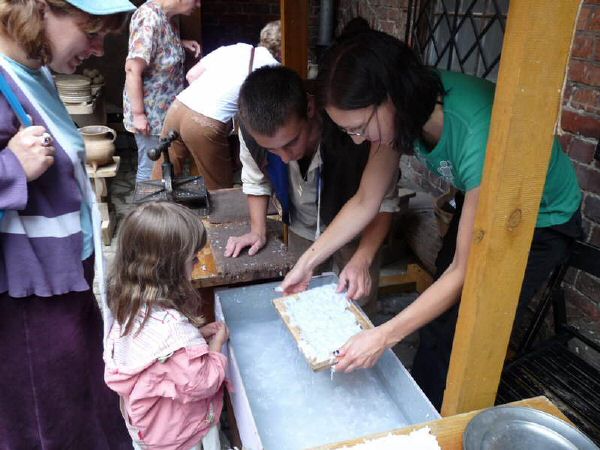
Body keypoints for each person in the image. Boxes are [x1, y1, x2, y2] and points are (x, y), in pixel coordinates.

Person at [280, 28, 583, 409]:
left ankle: (448, 419)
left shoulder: (479, 134)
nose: (357, 140)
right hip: (488, 196)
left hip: (540, 218)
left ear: (391, 98)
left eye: (358, 128)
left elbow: (461, 271)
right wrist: (306, 264)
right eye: (347, 131)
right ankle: (423, 406)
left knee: (467, 325)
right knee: (438, 317)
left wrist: (383, 336)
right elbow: (366, 200)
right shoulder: (404, 111)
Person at [0, 0, 136, 447]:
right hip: (26, 308)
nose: (98, 50)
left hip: (64, 286)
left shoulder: (34, 71)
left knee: (89, 407)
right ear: (40, 9)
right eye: (90, 31)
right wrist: (11, 169)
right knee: (54, 426)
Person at [224, 65, 400, 307]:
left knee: (358, 301)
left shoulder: (359, 131)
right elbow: (256, 179)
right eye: (272, 149)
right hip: (302, 228)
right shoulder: (252, 130)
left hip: (360, 232)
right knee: (302, 300)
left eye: (291, 142)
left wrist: (363, 258)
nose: (285, 157)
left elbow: (383, 202)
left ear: (309, 107)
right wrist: (257, 230)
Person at [104, 201, 229, 450]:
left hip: (149, 427)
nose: (197, 263)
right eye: (192, 258)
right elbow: (203, 382)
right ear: (167, 269)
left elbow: (160, 358)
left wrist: (196, 337)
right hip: (181, 436)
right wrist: (215, 347)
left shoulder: (128, 303)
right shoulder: (173, 330)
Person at [151, 20, 281, 190]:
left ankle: (151, 206)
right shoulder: (273, 69)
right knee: (218, 189)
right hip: (204, 122)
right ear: (282, 48)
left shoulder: (236, 48)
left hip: (178, 107)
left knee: (162, 180)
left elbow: (191, 75)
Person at [123, 0, 201, 182]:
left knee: (163, 168)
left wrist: (181, 44)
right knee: (151, 169)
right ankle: (145, 202)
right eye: (196, 0)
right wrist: (139, 114)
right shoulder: (148, 17)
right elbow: (133, 69)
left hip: (164, 111)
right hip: (150, 113)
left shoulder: (167, 17)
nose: (198, 5)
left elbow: (156, 47)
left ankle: (162, 201)